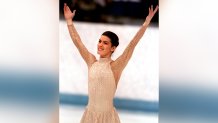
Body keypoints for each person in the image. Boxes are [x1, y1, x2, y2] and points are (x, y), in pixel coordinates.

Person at [63, 3, 158, 123]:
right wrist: (69, 21)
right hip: (89, 117)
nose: (100, 45)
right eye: (99, 41)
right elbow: (78, 42)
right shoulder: (91, 61)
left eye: (105, 43)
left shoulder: (115, 66)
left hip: (108, 118)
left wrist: (146, 23)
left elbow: (132, 44)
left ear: (113, 48)